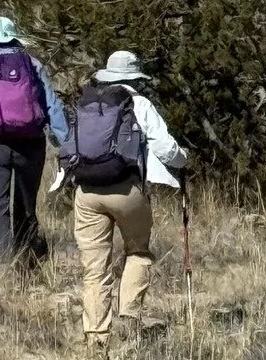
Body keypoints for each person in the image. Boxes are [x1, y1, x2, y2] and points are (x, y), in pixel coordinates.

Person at [59, 49, 187, 346]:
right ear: (135, 77)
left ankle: (96, 336)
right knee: (138, 251)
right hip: (127, 190)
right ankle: (129, 318)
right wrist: (184, 160)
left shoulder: (88, 102)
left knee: (95, 268)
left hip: (87, 191)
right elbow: (167, 149)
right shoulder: (138, 103)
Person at [0, 15, 68, 265]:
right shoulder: (34, 65)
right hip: (31, 146)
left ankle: (4, 265)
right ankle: (27, 259)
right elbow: (52, 107)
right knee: (26, 206)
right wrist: (65, 143)